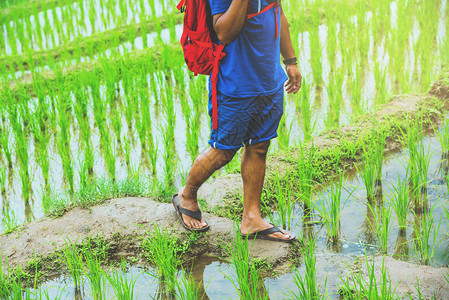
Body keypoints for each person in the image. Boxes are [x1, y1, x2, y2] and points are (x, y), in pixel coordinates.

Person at [172, 0, 302, 242]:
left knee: (260, 146)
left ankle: (252, 218)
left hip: (269, 79)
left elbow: (278, 12)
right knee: (223, 150)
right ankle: (186, 196)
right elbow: (224, 32)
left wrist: (290, 61)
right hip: (235, 84)